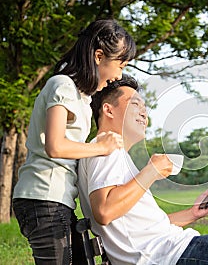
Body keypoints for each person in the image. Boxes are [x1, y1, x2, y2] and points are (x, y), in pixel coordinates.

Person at [77, 75, 208, 265]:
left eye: (145, 107)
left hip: (177, 247)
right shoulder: (104, 148)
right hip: (169, 255)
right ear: (108, 110)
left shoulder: (117, 155)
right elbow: (104, 211)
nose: (144, 112)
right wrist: (152, 170)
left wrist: (192, 214)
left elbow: (147, 227)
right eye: (135, 104)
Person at [12, 19, 136, 265]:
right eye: (120, 64)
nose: (119, 74)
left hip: (57, 200)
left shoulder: (82, 96)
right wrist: (101, 147)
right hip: (44, 196)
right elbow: (55, 146)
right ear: (99, 56)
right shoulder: (63, 85)